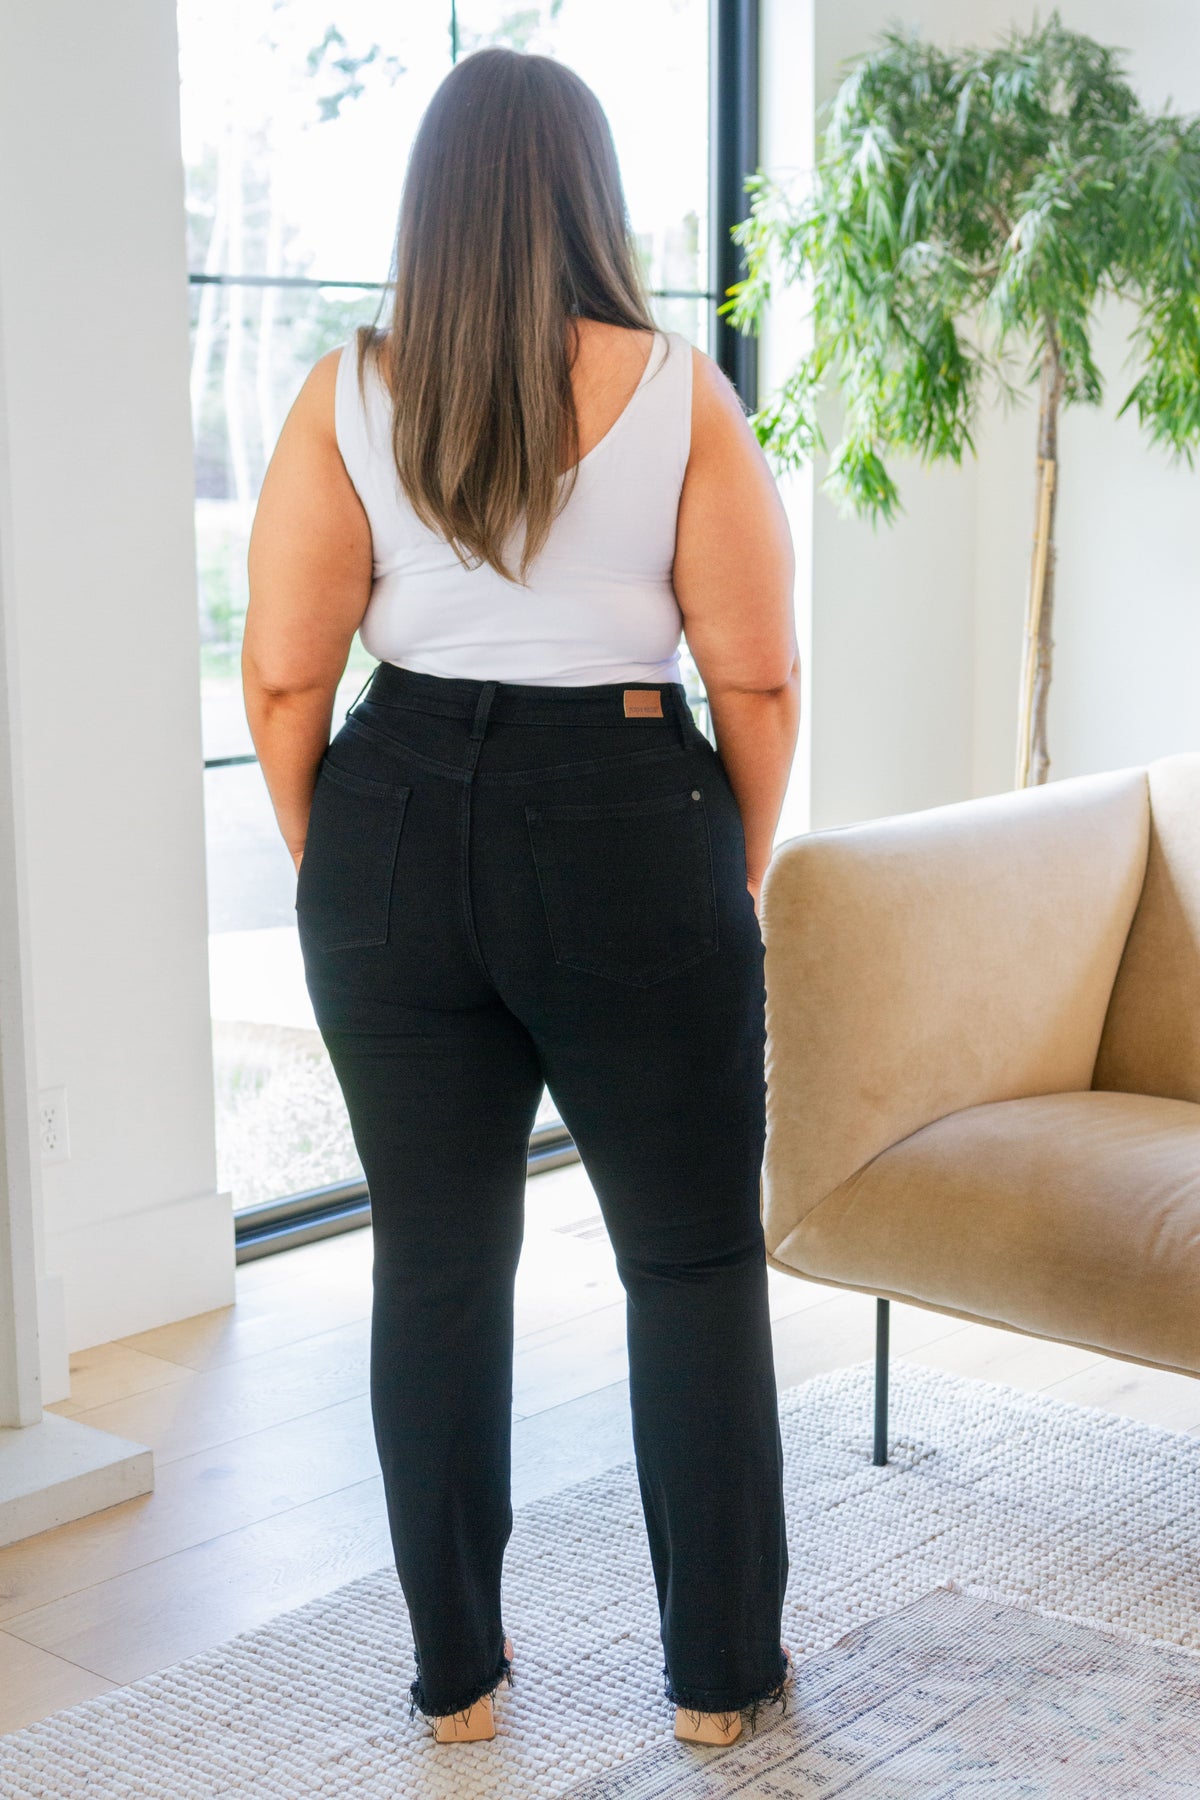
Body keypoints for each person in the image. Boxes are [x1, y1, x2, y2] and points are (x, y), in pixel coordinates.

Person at [244, 43, 800, 1752]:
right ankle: (717, 1685)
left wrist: (347, 860)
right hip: (631, 810)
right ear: (588, 195)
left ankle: (459, 1689)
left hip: (392, 819)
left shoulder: (344, 393)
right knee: (690, 1262)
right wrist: (722, 870)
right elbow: (757, 676)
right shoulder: (682, 391)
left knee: (434, 1269)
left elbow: (284, 678)